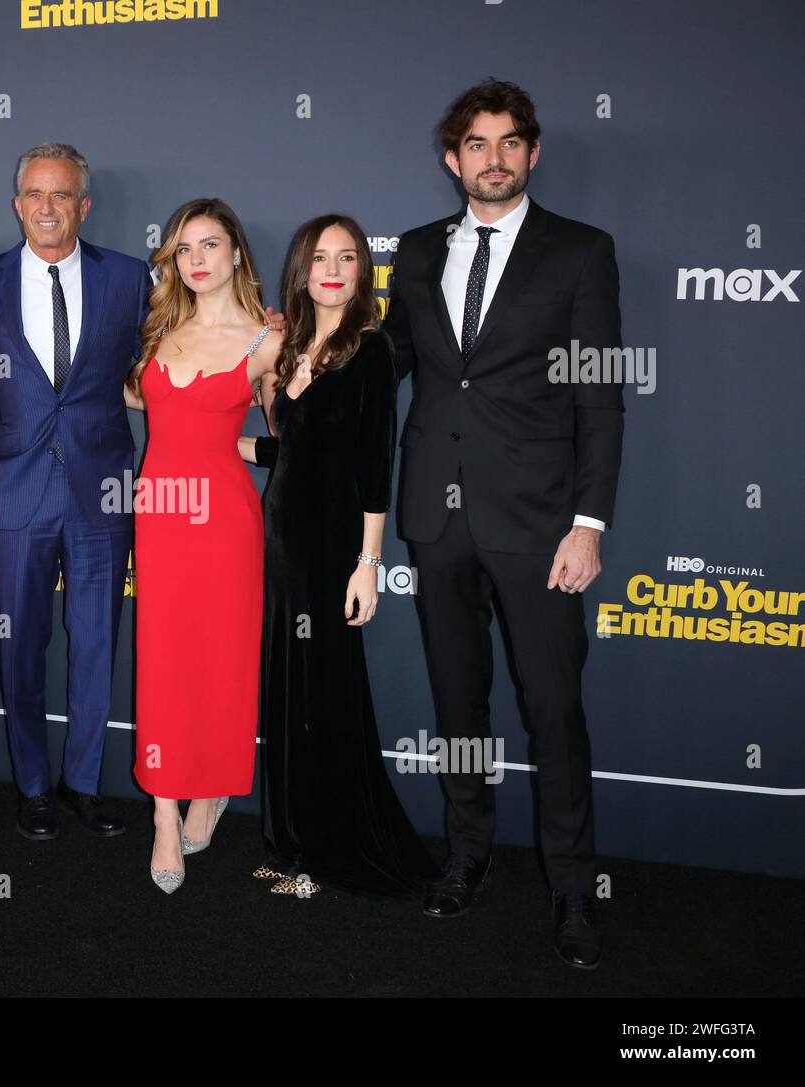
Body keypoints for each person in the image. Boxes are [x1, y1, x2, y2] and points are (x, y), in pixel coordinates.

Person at [383, 80, 624, 967]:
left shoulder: (581, 252)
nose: (494, 157)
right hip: (436, 521)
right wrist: (299, 354)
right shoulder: (413, 252)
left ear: (531, 152)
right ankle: (468, 854)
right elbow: (388, 370)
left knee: (553, 710)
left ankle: (572, 888)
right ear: (453, 159)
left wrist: (589, 523)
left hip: (541, 526)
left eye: (509, 142)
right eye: (476, 144)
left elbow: (602, 398)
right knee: (460, 706)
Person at [239, 214, 438, 898]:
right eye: (320, 257)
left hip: (331, 552)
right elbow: (292, 451)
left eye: (346, 257)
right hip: (284, 545)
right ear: (302, 268)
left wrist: (368, 563)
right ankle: (291, 843)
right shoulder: (289, 347)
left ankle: (326, 850)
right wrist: (218, 446)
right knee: (289, 693)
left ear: (361, 273)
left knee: (325, 697)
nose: (331, 268)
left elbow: (372, 464)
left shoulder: (371, 351)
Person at [0, 144, 151, 841]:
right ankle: (34, 786)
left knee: (97, 641)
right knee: (21, 644)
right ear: (18, 205)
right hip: (13, 491)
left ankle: (85, 783)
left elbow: (179, 350)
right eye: (35, 195)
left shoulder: (132, 280)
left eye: (62, 195)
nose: (48, 207)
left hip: (102, 493)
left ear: (84, 205)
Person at [129, 198, 281, 893]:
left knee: (220, 656)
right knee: (163, 658)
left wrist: (240, 443)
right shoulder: (160, 329)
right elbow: (140, 399)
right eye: (183, 248)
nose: (195, 259)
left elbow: (289, 440)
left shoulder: (267, 340)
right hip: (160, 514)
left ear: (237, 254)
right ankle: (164, 809)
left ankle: (213, 787)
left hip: (224, 521)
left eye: (209, 245)